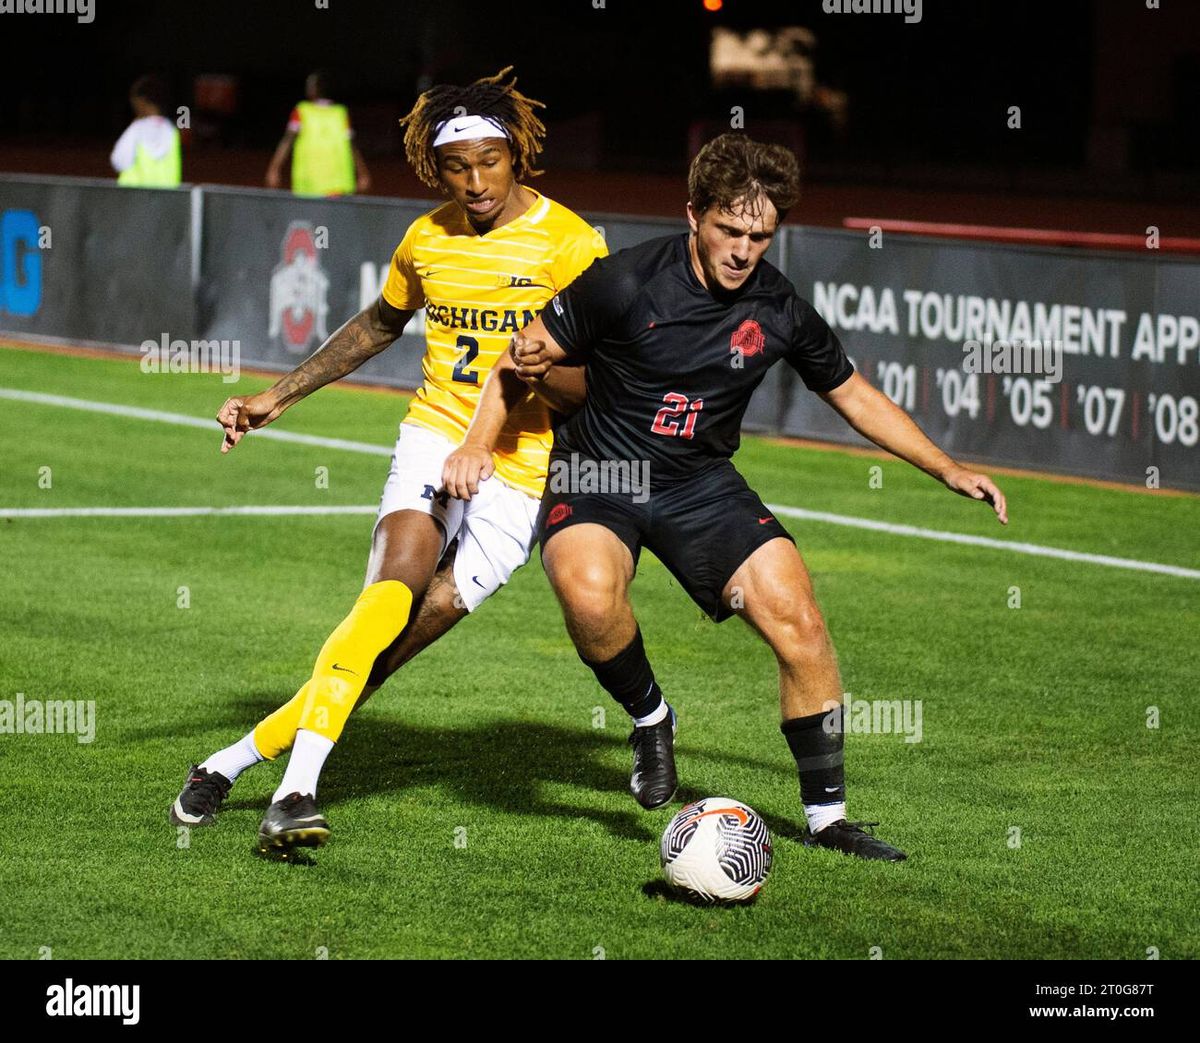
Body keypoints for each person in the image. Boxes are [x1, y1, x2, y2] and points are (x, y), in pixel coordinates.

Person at [442, 133, 1010, 863]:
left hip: (699, 484)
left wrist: (946, 467)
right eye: (730, 230)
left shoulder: (779, 307)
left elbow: (853, 393)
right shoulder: (623, 282)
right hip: (601, 472)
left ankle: (828, 818)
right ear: (693, 216)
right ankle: (651, 717)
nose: (745, 249)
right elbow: (519, 358)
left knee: (799, 618)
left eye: (761, 235)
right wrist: (476, 444)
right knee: (588, 596)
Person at [171, 68, 607, 855]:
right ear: (434, 169)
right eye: (457, 167)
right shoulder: (427, 237)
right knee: (386, 595)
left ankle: (231, 759)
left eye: (490, 162)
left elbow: (598, 379)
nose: (475, 182)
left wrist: (539, 368)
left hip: (523, 468)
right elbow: (377, 325)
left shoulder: (571, 243)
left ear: (518, 157)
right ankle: (296, 793)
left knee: (389, 650)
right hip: (437, 435)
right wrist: (280, 395)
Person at [265, 70, 371, 196]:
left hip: (311, 182)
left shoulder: (301, 111)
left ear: (315, 88)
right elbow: (352, 146)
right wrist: (363, 173)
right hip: (337, 182)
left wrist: (274, 168)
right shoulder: (341, 114)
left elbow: (287, 141)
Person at [110, 75, 181, 188]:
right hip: (166, 199)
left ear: (141, 101)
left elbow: (119, 161)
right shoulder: (171, 130)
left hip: (135, 197)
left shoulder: (137, 128)